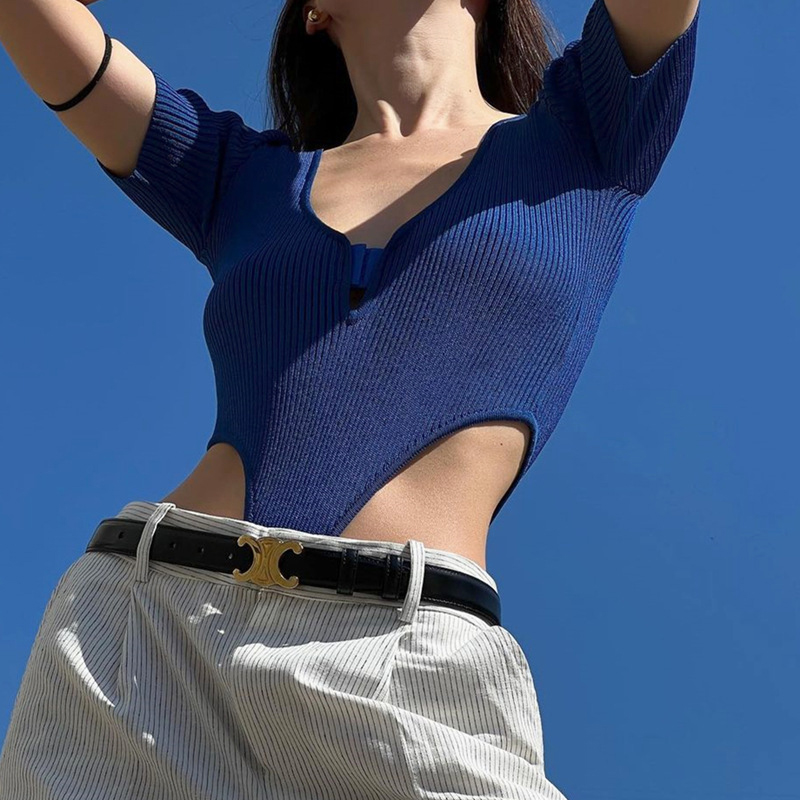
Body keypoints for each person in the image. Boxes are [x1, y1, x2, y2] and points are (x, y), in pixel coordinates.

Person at [0, 0, 701, 797]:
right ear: (316, 12)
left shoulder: (588, 136)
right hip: (146, 644)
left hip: (407, 663)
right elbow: (49, 34)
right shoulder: (237, 178)